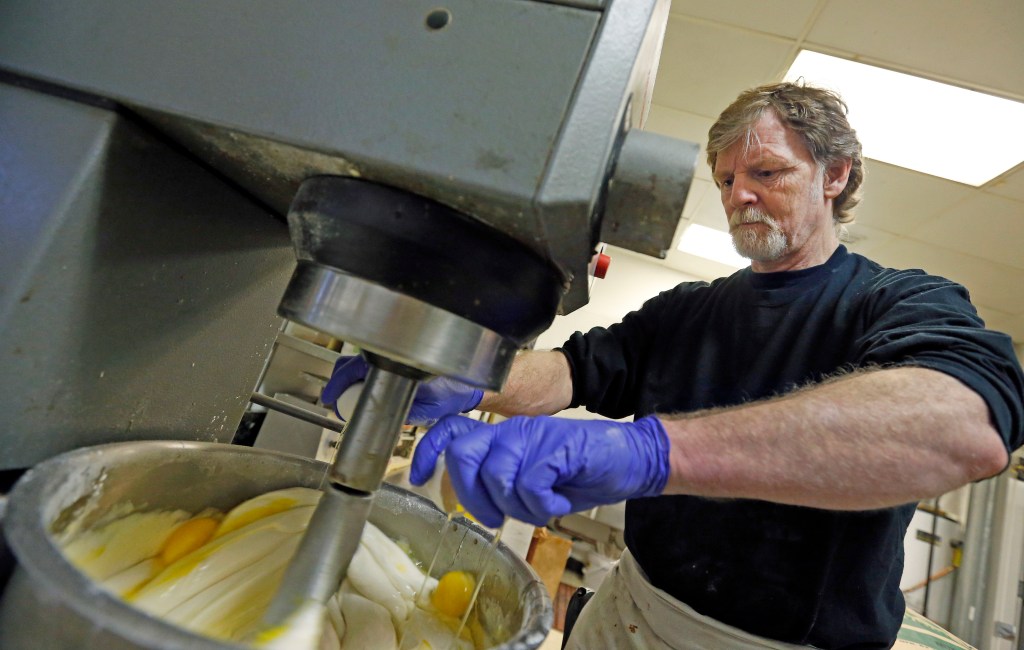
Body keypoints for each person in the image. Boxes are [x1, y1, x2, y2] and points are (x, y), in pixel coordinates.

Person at [323, 82, 1024, 648]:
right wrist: (459, 370)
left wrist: (655, 450)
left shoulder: (894, 301)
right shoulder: (690, 308)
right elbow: (576, 369)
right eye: (724, 180)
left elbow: (965, 426)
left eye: (766, 172)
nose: (738, 196)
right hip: (635, 608)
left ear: (834, 175)